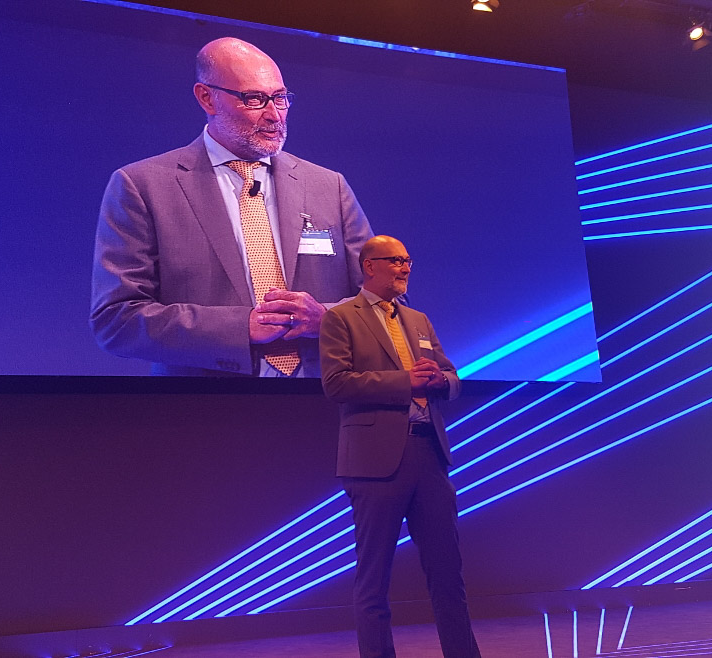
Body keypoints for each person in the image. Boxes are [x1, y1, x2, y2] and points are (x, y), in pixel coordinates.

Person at [91, 37, 373, 376]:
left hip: (322, 396)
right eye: (254, 99)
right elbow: (117, 320)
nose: (274, 115)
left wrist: (328, 319)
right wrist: (239, 328)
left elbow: (389, 300)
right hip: (211, 402)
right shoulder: (142, 186)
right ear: (206, 97)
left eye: (280, 98)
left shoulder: (329, 186)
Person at [320, 235, 481, 658]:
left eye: (408, 260)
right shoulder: (340, 317)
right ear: (369, 266)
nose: (405, 267)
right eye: (395, 260)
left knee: (448, 572)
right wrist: (404, 381)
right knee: (374, 577)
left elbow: (452, 378)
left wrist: (440, 380)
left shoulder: (418, 319)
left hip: (429, 454)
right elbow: (336, 384)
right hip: (374, 463)